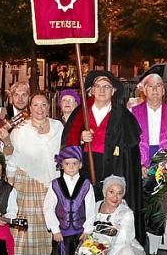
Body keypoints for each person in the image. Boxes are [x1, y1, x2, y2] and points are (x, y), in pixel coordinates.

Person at [62, 70, 145, 244]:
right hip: (84, 169)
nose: (101, 90)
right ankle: (83, 253)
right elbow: (67, 147)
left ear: (113, 91)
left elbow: (129, 151)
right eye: (98, 86)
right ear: (92, 90)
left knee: (109, 214)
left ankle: (109, 252)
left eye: (106, 86)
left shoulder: (123, 116)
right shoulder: (80, 113)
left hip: (113, 169)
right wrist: (80, 139)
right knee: (85, 211)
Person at [8, 92, 63, 255]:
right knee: (27, 227)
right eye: (36, 105)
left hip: (52, 180)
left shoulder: (58, 127)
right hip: (27, 180)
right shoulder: (20, 130)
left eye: (44, 105)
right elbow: (13, 157)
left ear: (49, 107)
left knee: (49, 224)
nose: (40, 109)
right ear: (29, 108)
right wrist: (10, 180)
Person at [43, 147, 92, 255]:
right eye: (67, 163)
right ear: (61, 165)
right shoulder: (55, 185)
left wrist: (87, 229)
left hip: (79, 232)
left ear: (80, 165)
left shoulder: (86, 185)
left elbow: (91, 209)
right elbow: (48, 208)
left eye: (74, 163)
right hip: (61, 233)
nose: (71, 167)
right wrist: (55, 229)